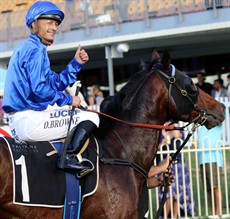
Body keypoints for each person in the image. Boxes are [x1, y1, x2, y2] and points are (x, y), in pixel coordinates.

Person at [2, 1, 99, 174]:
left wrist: (75, 64)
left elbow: (53, 83)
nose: (54, 27)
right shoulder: (35, 50)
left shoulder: (32, 48)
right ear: (34, 24)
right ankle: (68, 159)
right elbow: (39, 90)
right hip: (28, 120)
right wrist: (70, 99)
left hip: (24, 120)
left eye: (56, 24)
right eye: (49, 22)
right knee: (91, 118)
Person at [157, 122, 196, 218]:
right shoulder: (159, 131)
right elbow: (155, 149)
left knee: (179, 193)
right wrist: (161, 145)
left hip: (179, 165)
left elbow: (181, 138)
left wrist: (175, 130)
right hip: (164, 166)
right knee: (168, 194)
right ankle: (165, 216)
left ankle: (174, 217)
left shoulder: (178, 130)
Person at [197, 125, 223, 216]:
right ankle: (213, 212)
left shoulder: (216, 122)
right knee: (208, 188)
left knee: (215, 186)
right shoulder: (202, 126)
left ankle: (218, 212)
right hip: (202, 159)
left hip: (213, 158)